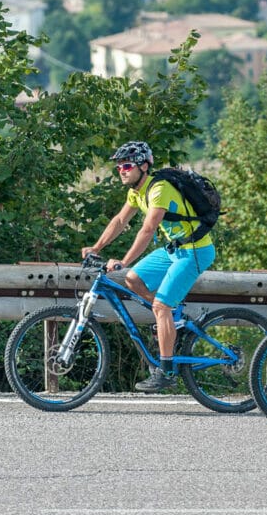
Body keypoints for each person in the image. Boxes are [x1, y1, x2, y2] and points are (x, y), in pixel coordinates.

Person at [81, 140, 216, 392]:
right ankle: (173, 321)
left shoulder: (159, 188)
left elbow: (148, 229)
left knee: (160, 305)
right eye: (119, 167)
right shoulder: (135, 191)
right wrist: (96, 247)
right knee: (133, 279)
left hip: (195, 251)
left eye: (127, 165)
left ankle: (166, 372)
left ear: (144, 166)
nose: (122, 170)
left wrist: (123, 260)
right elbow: (120, 219)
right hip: (175, 249)